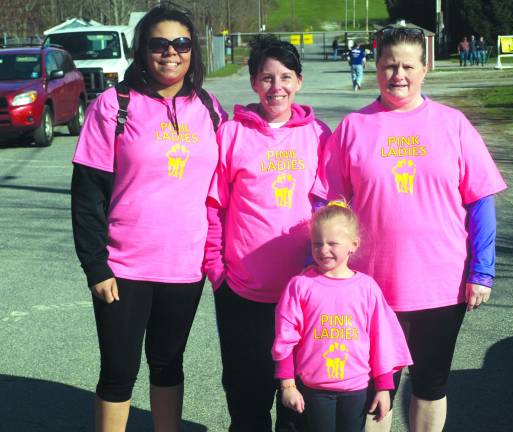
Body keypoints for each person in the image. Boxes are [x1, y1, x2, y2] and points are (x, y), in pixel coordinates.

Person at [312, 26, 507, 432]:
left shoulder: (452, 125)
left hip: (442, 283)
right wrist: (327, 263)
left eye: (406, 66)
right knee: (375, 389)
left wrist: (482, 270)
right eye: (388, 66)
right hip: (370, 286)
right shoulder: (354, 128)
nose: (397, 75)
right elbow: (329, 203)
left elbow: (480, 201)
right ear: (375, 68)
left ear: (425, 68)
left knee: (431, 384)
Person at [70, 5, 226, 431]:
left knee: (168, 363)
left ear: (193, 52)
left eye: (181, 44)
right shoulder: (114, 105)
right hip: (123, 269)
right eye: (159, 44)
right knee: (119, 370)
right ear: (142, 50)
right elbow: (87, 193)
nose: (170, 53)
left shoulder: (209, 109)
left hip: (185, 267)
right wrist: (95, 266)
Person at [204, 34, 331, 432]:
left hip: (304, 290)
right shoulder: (230, 134)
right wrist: (217, 270)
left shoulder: (318, 136)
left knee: (298, 397)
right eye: (267, 78)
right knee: (247, 392)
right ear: (254, 83)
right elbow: (214, 207)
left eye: (286, 77)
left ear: (299, 82)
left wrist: (323, 270)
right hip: (242, 290)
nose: (277, 87)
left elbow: (328, 207)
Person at [272, 203, 413, 432]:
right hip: (314, 389)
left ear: (353, 245)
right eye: (317, 243)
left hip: (356, 389)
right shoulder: (300, 286)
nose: (323, 249)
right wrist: (288, 385)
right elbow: (285, 338)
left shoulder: (367, 288)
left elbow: (382, 341)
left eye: (332, 243)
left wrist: (384, 387)